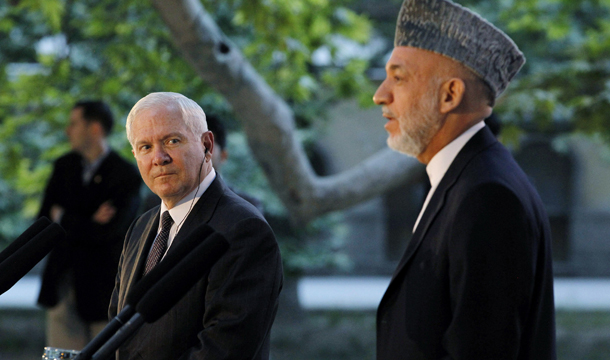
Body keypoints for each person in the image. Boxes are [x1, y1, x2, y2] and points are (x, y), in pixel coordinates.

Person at [373, 0, 556, 359]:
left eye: (398, 77)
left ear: (450, 95)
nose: (380, 94)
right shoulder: (469, 180)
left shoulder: (487, 195)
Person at [109, 92, 283, 359]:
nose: (159, 158)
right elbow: (117, 332)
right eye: (145, 147)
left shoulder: (243, 228)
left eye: (172, 141)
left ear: (207, 145)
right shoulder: (141, 227)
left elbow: (225, 348)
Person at [37, 100, 142, 351]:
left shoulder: (125, 174)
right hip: (61, 284)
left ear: (94, 129)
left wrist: (65, 217)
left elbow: (111, 231)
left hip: (103, 291)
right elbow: (43, 222)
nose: (67, 130)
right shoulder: (63, 167)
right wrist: (88, 222)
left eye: (74, 123)